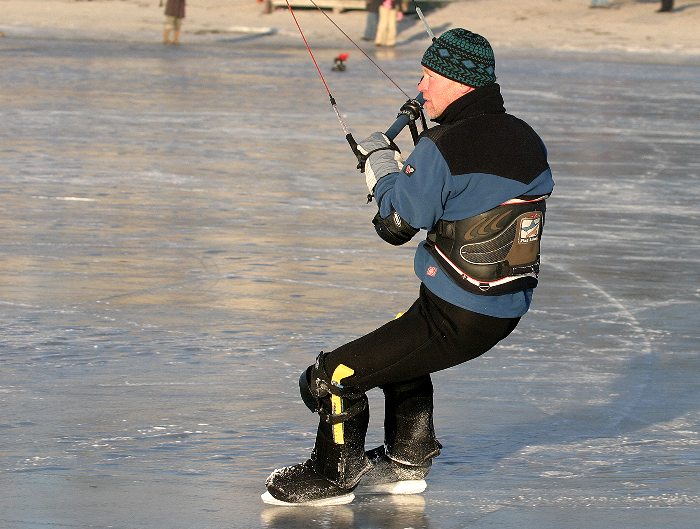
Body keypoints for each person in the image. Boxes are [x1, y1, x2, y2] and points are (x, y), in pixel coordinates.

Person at [262, 28, 555, 506]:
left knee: (330, 377)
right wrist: (420, 158)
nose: (420, 88)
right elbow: (472, 191)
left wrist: (383, 169)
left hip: (456, 315)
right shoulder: (525, 137)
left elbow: (395, 226)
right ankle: (406, 461)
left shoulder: (444, 149)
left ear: (459, 84)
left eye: (427, 77)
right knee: (402, 353)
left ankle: (333, 476)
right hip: (499, 308)